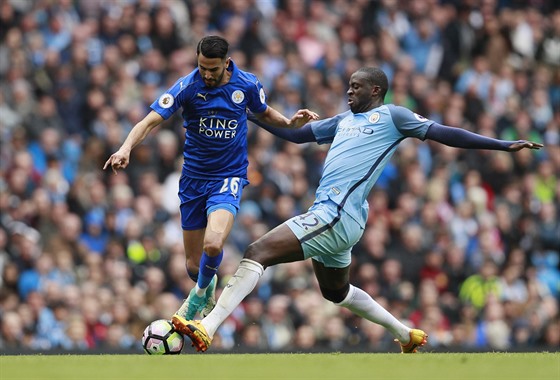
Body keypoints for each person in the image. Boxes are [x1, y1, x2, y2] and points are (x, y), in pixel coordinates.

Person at [172, 66, 543, 353]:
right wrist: (249, 112)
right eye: (348, 86)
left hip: (336, 213)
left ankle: (210, 324)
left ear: (375, 90)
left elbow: (444, 133)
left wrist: (501, 144)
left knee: (256, 253)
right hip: (341, 218)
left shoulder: (393, 117)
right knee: (335, 292)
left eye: (356, 86)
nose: (348, 91)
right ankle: (406, 334)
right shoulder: (342, 122)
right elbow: (296, 135)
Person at [104, 36, 318, 321]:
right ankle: (205, 284)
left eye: (212, 69)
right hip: (193, 179)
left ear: (226, 63)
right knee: (194, 266)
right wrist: (125, 147)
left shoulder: (247, 84)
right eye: (202, 67)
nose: (206, 74)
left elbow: (263, 112)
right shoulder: (188, 86)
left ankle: (197, 298)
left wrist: (289, 123)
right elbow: (149, 121)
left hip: (228, 177)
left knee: (213, 244)